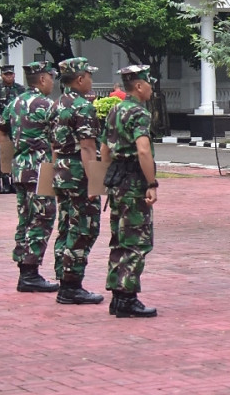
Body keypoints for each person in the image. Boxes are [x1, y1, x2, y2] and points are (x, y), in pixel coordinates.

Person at [0, 61, 59, 293]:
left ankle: (24, 268)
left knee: (25, 219)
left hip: (20, 169)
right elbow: (57, 139)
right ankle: (30, 272)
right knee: (42, 218)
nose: (52, 81)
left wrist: (12, 158)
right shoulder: (47, 105)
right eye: (51, 77)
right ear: (42, 79)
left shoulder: (15, 103)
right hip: (41, 170)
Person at [100, 64, 158, 318]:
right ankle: (127, 298)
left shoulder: (115, 110)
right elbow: (143, 150)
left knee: (119, 239)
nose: (151, 88)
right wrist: (151, 183)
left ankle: (117, 295)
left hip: (117, 180)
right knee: (136, 241)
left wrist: (107, 177)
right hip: (134, 182)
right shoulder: (139, 112)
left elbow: (104, 149)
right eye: (149, 83)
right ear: (138, 86)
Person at [50, 58, 104, 305]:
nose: (91, 81)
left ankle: (64, 279)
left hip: (62, 172)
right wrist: (95, 183)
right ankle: (72, 285)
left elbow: (53, 145)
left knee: (65, 226)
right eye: (89, 76)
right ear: (80, 79)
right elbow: (88, 147)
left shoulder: (57, 104)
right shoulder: (83, 107)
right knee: (84, 227)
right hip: (78, 174)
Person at [0, 64, 26, 194]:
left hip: (16, 127)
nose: (9, 76)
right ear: (2, 75)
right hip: (1, 127)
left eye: (11, 74)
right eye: (6, 74)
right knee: (3, 154)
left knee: (16, 154)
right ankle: (4, 183)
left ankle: (15, 182)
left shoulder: (20, 89)